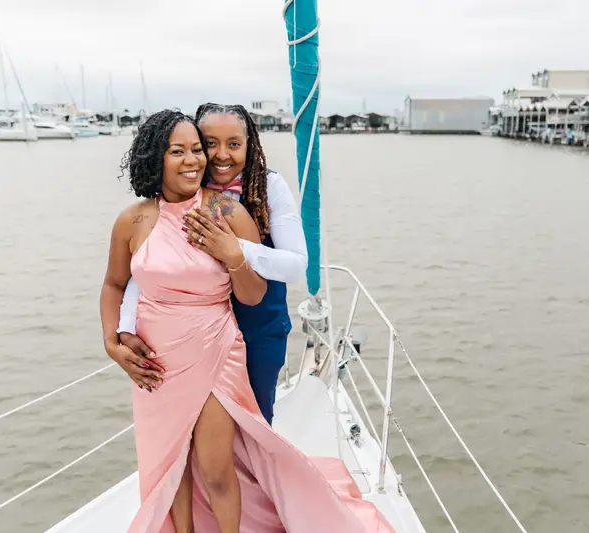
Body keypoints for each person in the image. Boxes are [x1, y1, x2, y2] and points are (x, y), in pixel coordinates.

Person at [100, 110, 393, 533]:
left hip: (216, 351)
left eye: (195, 150)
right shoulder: (133, 220)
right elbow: (114, 284)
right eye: (178, 151)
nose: (193, 160)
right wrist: (113, 341)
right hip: (156, 362)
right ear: (154, 158)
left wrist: (235, 255)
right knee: (169, 467)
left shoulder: (229, 212)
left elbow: (253, 294)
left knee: (216, 466)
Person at [114, 103, 305, 425]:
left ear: (250, 145)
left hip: (257, 325)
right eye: (209, 143)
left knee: (254, 422)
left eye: (234, 144)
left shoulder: (268, 185)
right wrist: (125, 327)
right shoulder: (177, 192)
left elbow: (295, 266)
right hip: (197, 333)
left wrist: (235, 249)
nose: (221, 155)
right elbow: (141, 268)